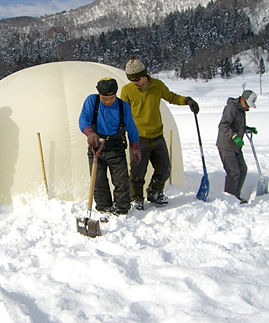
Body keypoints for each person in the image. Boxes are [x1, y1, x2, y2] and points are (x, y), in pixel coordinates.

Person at [120, 54, 200, 210]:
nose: (134, 82)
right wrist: (122, 131)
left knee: (164, 169)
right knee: (137, 172)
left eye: (136, 79)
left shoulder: (157, 85)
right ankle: (136, 197)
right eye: (132, 80)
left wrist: (187, 101)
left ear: (144, 74)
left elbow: (171, 97)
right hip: (138, 138)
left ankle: (155, 192)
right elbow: (123, 113)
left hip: (157, 136)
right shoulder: (127, 90)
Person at [79, 77, 141, 221]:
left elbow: (132, 129)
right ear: (98, 94)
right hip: (96, 145)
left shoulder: (123, 106)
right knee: (98, 180)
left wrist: (135, 147)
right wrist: (90, 132)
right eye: (104, 98)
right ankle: (103, 209)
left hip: (115, 147)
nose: (107, 101)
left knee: (121, 180)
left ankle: (121, 210)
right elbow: (83, 120)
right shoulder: (91, 101)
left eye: (111, 98)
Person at [216, 90, 258, 204]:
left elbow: (238, 125)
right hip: (226, 145)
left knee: (243, 170)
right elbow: (223, 125)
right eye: (248, 105)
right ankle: (229, 200)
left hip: (235, 146)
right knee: (233, 172)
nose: (248, 108)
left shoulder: (241, 109)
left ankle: (236, 196)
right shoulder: (231, 108)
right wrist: (234, 136)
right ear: (242, 100)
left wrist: (246, 128)